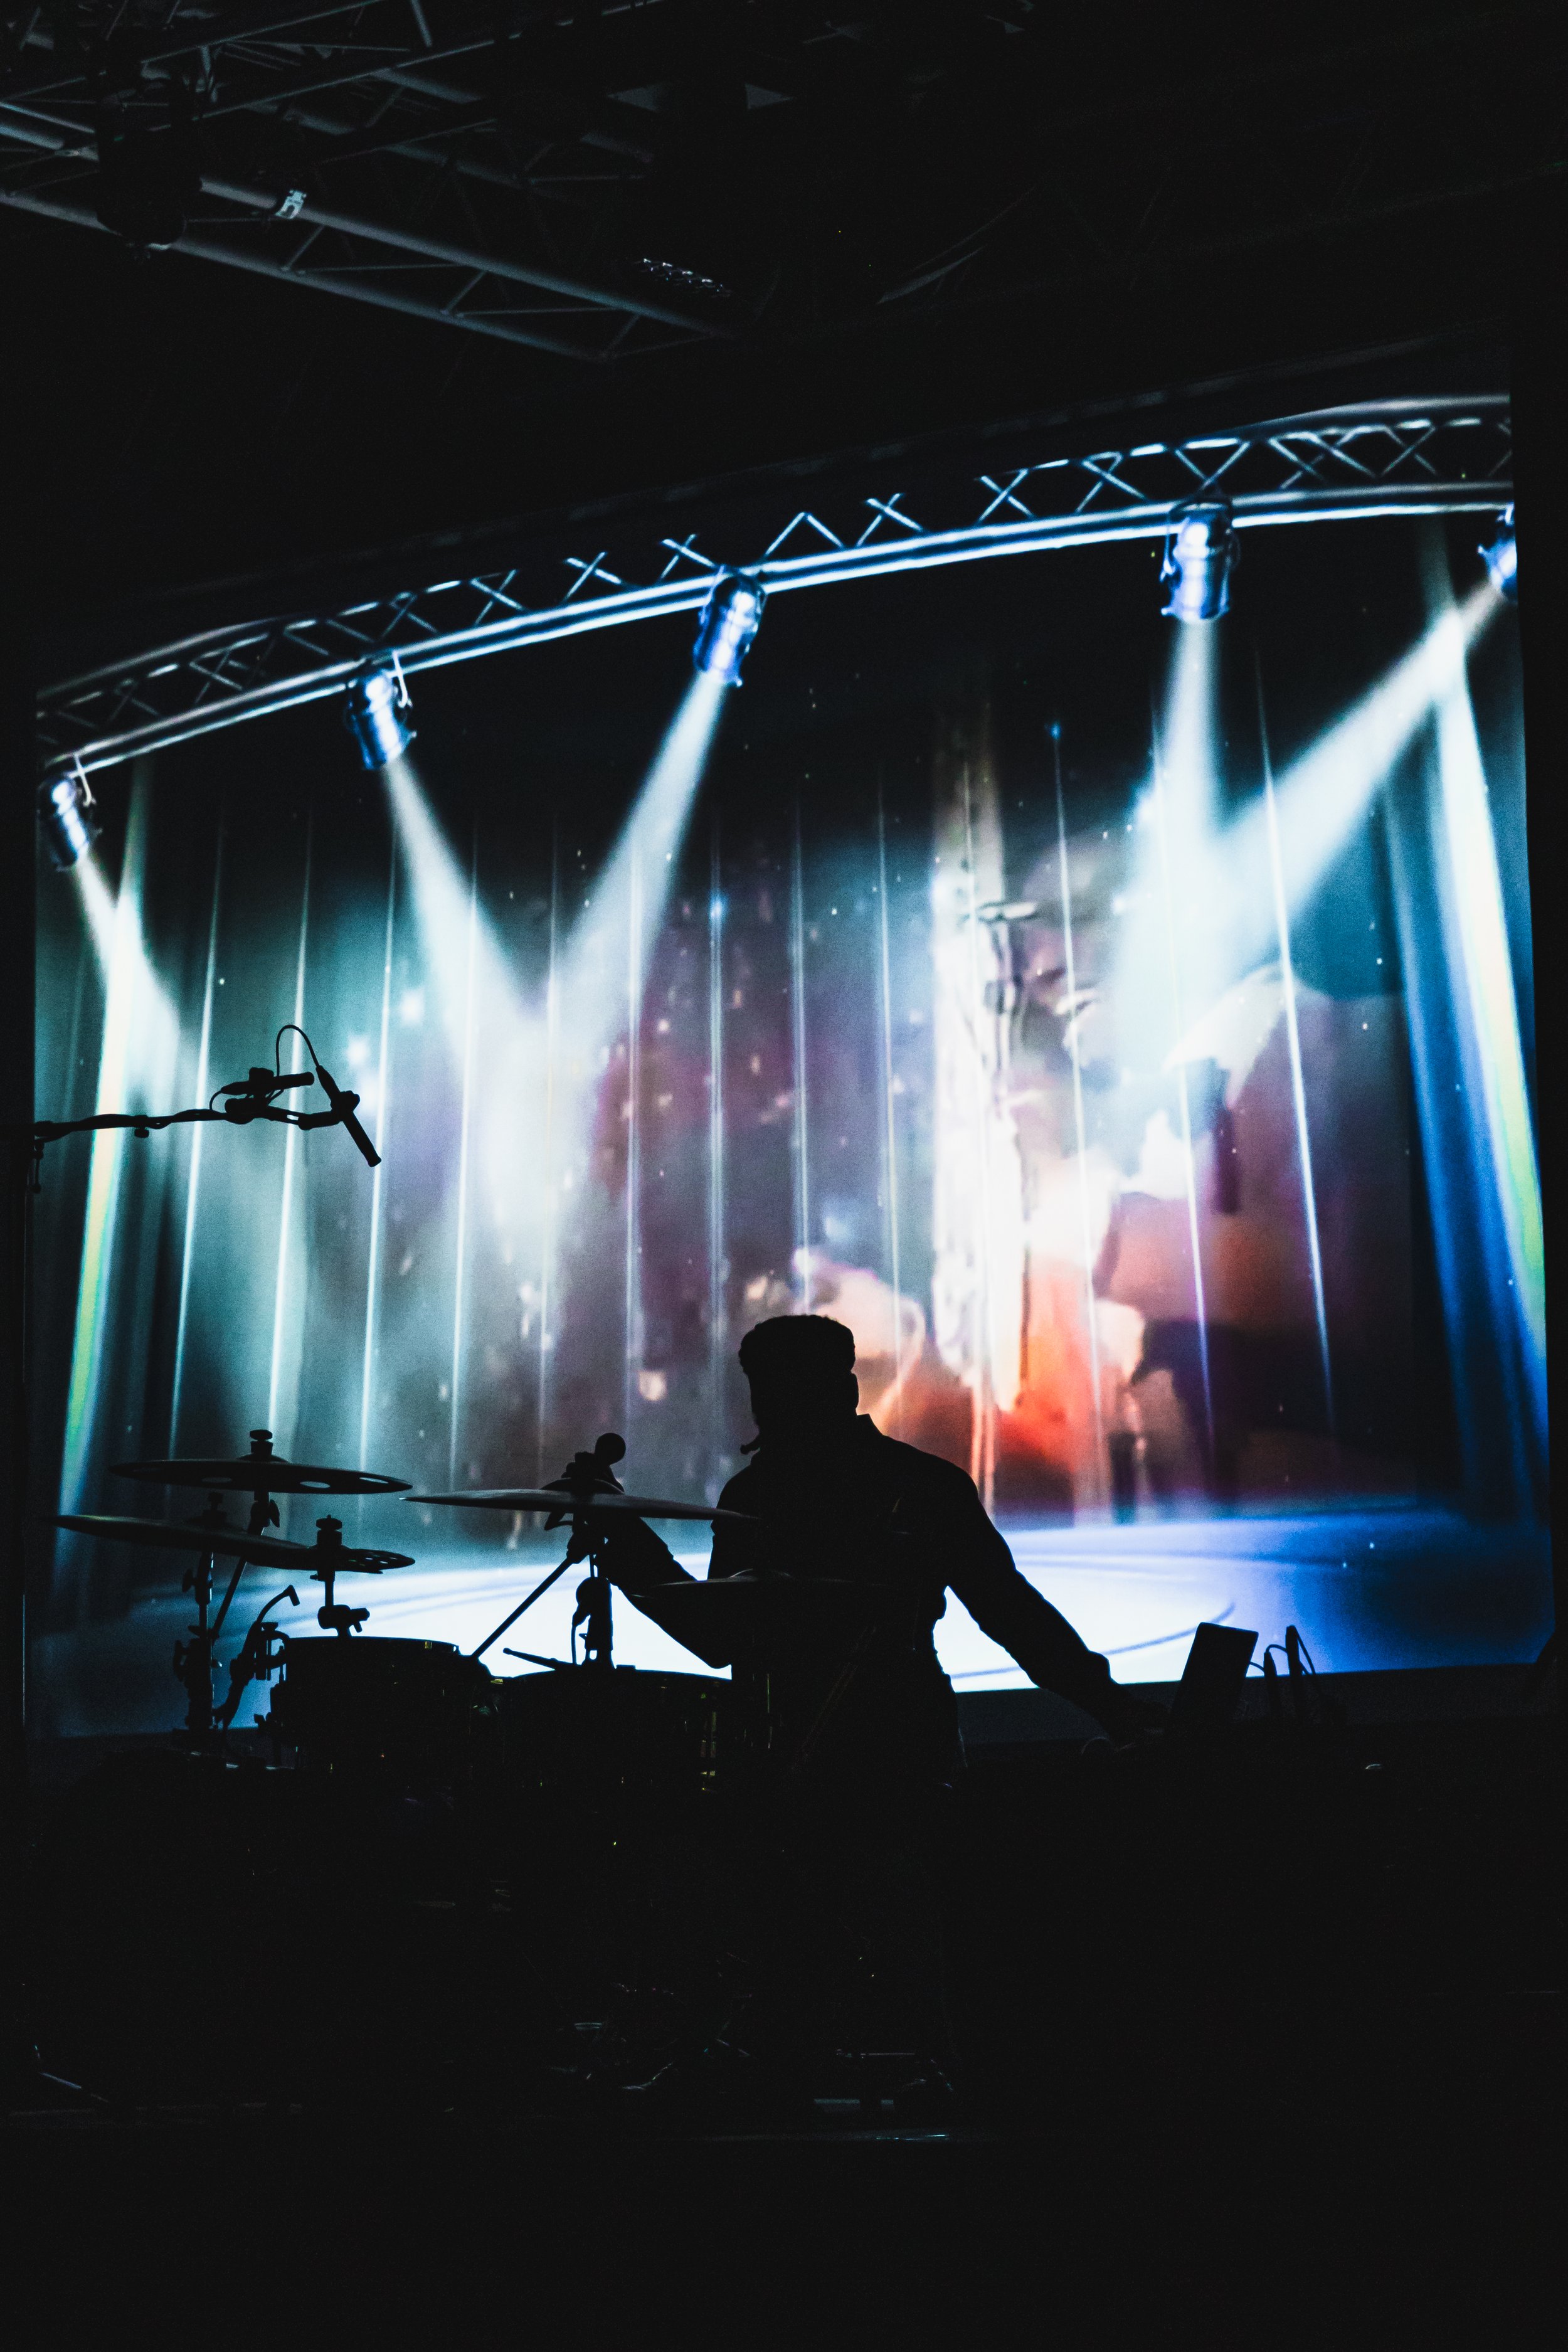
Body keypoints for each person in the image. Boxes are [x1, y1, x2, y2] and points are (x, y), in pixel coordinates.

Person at [596, 1315, 1160, 2097]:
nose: (767, 1410)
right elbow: (1012, 1614)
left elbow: (717, 1639)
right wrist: (1115, 1710)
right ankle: (932, 2070)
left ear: (832, 1392)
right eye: (764, 1391)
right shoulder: (906, 1485)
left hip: (846, 1756)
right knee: (890, 1919)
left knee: (840, 1913)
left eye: (776, 1392)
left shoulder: (768, 1494)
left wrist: (626, 1545)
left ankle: (808, 2066)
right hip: (877, 1746)